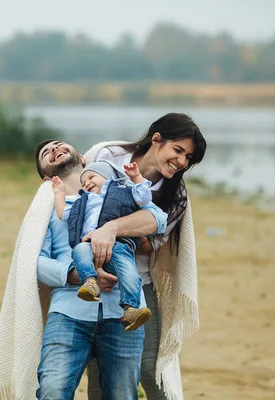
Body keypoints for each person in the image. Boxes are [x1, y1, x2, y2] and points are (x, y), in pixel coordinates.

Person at [83, 112, 207, 400]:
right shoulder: (109, 155)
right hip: (96, 280)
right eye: (178, 151)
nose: (182, 162)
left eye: (188, 158)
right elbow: (79, 191)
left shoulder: (175, 196)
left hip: (139, 283)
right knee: (98, 372)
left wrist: (113, 225)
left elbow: (150, 245)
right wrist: (134, 220)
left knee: (150, 369)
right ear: (156, 140)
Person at [34, 141, 168, 399]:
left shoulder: (121, 192)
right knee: (52, 390)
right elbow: (35, 262)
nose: (54, 149)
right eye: (45, 153)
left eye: (59, 145)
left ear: (83, 160)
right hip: (69, 312)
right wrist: (74, 275)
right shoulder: (47, 208)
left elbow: (158, 219)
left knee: (122, 395)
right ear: (45, 176)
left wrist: (113, 228)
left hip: (123, 313)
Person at [51, 159, 162, 331]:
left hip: (119, 244)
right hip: (88, 242)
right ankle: (90, 283)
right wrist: (59, 193)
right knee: (79, 251)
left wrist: (136, 177)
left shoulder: (125, 192)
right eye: (83, 182)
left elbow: (144, 197)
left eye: (91, 177)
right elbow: (62, 213)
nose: (87, 183)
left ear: (108, 177)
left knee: (129, 271)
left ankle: (131, 309)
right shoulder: (83, 201)